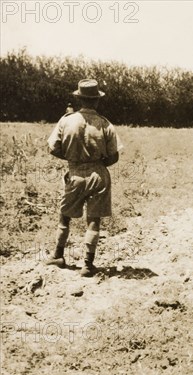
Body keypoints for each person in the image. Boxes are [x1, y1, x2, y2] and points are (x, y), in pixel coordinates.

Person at [46, 79, 123, 277]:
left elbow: (53, 147)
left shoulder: (66, 120)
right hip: (99, 174)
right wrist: (96, 164)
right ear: (97, 101)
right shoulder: (105, 123)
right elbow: (114, 156)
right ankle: (88, 265)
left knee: (65, 216)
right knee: (94, 220)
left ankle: (58, 255)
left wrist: (74, 159)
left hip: (75, 173)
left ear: (79, 99)